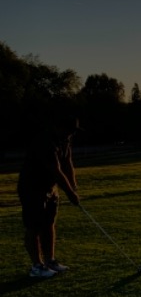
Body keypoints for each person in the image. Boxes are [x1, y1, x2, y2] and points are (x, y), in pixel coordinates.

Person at [17, 116, 81, 278]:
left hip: (50, 187)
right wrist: (70, 193)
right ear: (58, 126)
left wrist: (73, 185)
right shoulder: (45, 142)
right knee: (34, 226)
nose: (71, 134)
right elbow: (56, 170)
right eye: (69, 130)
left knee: (49, 223)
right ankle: (37, 266)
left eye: (73, 131)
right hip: (32, 187)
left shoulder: (65, 140)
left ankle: (50, 261)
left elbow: (67, 162)